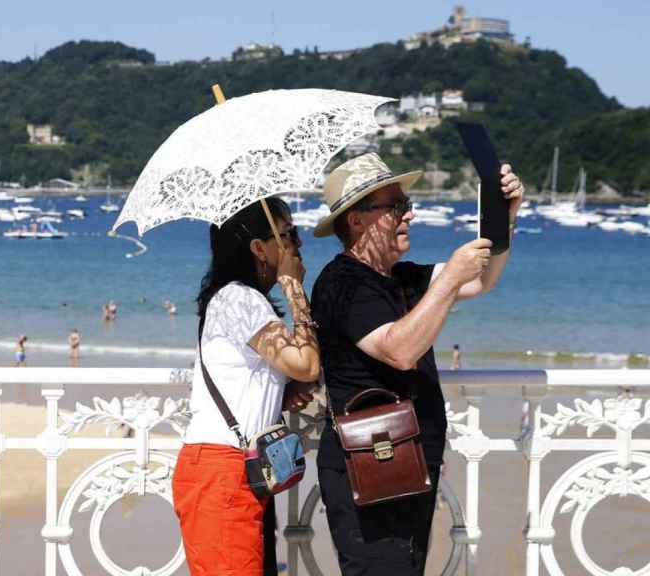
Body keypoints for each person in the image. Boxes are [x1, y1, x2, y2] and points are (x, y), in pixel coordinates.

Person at [309, 153, 523, 575]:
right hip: (369, 467)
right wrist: (447, 280)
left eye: (406, 204)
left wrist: (504, 220)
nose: (409, 214)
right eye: (396, 207)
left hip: (407, 463)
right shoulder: (341, 283)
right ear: (356, 221)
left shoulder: (401, 278)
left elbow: (482, 280)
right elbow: (399, 350)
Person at [172, 197, 320, 576]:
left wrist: (281, 395)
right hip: (224, 471)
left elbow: (246, 375)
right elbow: (305, 363)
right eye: (288, 235)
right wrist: (295, 290)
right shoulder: (240, 299)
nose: (297, 245)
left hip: (235, 470)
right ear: (259, 248)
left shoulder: (240, 300)